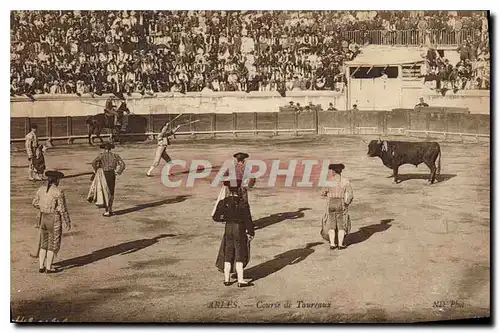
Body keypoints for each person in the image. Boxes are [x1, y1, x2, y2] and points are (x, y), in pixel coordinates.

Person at [213, 181, 255, 287]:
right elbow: (248, 219)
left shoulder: (224, 202)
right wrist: (250, 232)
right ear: (239, 190)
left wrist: (225, 218)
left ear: (229, 190)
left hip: (228, 228)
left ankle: (227, 279)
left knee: (228, 252)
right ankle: (240, 280)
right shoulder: (243, 203)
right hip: (239, 228)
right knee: (240, 252)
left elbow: (216, 217)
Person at [32, 170, 71, 273]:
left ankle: (41, 266)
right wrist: (67, 222)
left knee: (44, 242)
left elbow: (34, 203)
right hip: (54, 219)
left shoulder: (41, 189)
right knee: (53, 243)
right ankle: (49, 267)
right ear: (57, 180)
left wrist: (42, 207)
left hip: (43, 218)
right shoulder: (58, 192)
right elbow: (63, 209)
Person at [320, 163, 354, 250]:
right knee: (341, 224)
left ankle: (332, 244)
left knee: (331, 224)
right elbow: (350, 195)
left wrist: (328, 194)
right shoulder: (345, 181)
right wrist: (347, 203)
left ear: (333, 172)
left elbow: (323, 192)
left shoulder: (329, 181)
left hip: (331, 202)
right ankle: (340, 244)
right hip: (341, 202)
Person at [91, 142, 126, 216]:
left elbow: (93, 163)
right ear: (110, 148)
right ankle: (110, 209)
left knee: (105, 191)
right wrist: (118, 172)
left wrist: (97, 170)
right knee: (111, 191)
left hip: (103, 174)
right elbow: (122, 164)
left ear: (104, 148)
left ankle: (107, 210)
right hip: (112, 174)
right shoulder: (115, 155)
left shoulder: (101, 155)